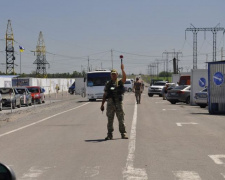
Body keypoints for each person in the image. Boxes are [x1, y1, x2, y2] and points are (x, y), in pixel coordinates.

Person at [100, 63, 128, 140]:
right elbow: (105, 95)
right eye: (112, 74)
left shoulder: (119, 82)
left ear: (117, 74)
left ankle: (123, 133)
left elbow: (125, 78)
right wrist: (102, 104)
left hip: (118, 103)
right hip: (110, 104)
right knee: (110, 120)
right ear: (110, 75)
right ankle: (109, 135)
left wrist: (122, 69)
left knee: (121, 119)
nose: (113, 76)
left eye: (115, 74)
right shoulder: (108, 84)